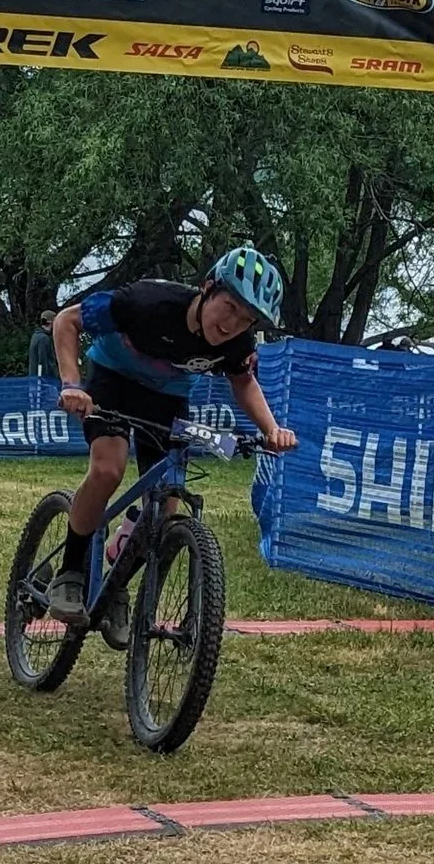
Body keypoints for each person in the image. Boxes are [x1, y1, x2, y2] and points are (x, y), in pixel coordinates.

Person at [48, 247, 297, 620]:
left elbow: (243, 382)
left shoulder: (238, 343)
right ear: (208, 288)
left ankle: (115, 588)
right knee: (108, 469)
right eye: (229, 307)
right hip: (112, 381)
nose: (232, 325)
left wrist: (271, 430)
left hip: (166, 398)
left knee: (165, 508)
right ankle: (69, 573)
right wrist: (71, 384)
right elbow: (67, 321)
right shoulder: (148, 302)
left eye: (247, 320)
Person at [28, 309, 59, 381]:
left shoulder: (35, 336)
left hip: (35, 379)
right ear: (51, 322)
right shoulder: (44, 338)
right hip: (44, 381)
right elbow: (43, 361)